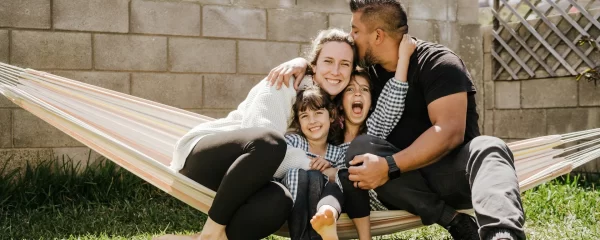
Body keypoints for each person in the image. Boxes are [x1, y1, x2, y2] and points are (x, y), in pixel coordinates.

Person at [267, 1, 526, 240]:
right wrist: (302, 63)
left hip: (448, 174)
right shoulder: (367, 73)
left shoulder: (438, 63)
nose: (351, 38)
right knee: (361, 148)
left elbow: (449, 132)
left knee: (489, 146)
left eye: (356, 31)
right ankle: (452, 220)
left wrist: (389, 165)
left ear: (377, 36)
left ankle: (502, 235)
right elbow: (332, 70)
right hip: (395, 187)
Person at [154, 28, 357, 240]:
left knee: (279, 201)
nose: (336, 70)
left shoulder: (333, 105)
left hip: (246, 180)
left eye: (345, 64)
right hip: (205, 159)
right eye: (328, 61)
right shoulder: (284, 82)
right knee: (270, 142)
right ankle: (210, 234)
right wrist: (317, 165)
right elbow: (264, 146)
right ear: (313, 66)